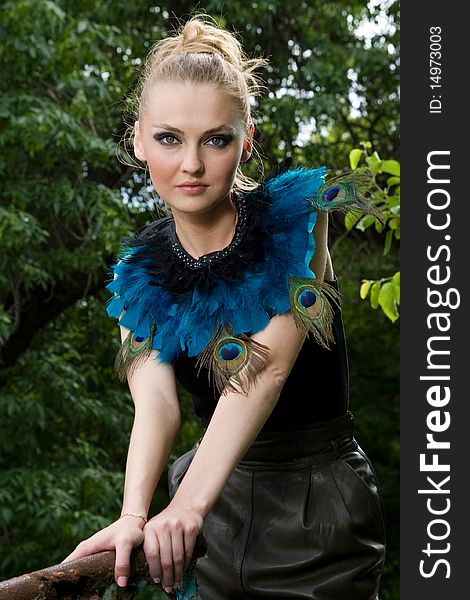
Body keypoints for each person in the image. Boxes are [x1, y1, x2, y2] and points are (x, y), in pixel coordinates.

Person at [63, 15, 386, 600]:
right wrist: (136, 517)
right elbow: (157, 406)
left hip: (317, 510)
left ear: (246, 140)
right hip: (214, 510)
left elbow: (262, 371)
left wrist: (184, 507)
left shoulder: (297, 220)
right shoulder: (138, 277)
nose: (191, 163)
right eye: (168, 138)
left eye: (215, 138)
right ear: (138, 139)